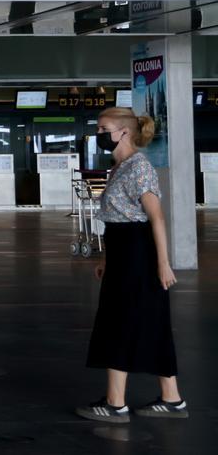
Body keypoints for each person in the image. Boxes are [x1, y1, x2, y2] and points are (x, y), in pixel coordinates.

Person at [75, 108, 186, 423]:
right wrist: (107, 259)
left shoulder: (139, 168)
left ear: (123, 132)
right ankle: (172, 398)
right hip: (124, 252)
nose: (98, 134)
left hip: (138, 254)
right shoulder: (120, 167)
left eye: (103, 128)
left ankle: (115, 403)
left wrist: (163, 264)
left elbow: (156, 218)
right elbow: (118, 221)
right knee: (150, 320)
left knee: (117, 321)